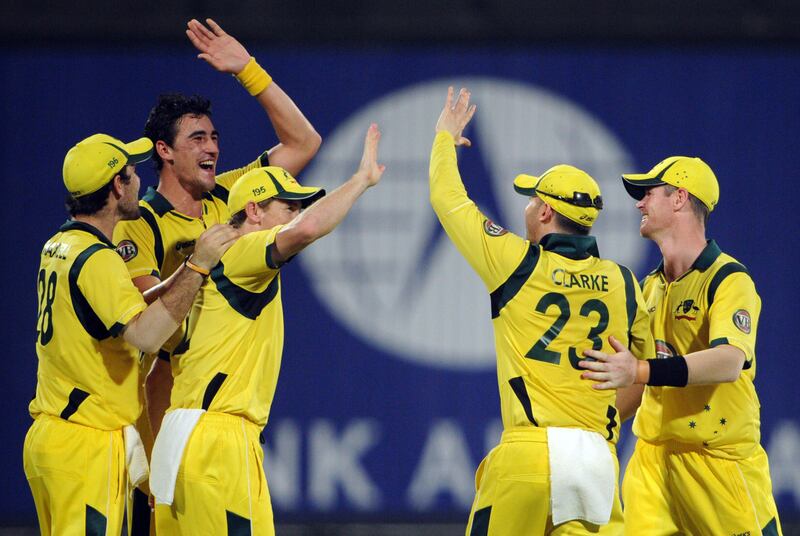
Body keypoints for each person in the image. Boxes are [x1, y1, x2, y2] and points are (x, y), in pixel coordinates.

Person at [112, 18, 320, 530]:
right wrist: (201, 262)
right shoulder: (141, 226)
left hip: (213, 395)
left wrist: (248, 71)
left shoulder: (231, 194)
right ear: (164, 150)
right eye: (197, 138)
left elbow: (304, 142)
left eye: (215, 137)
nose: (212, 148)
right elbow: (147, 326)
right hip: (165, 398)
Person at [429, 87, 653, 535]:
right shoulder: (625, 283)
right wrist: (601, 418)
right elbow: (649, 371)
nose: (527, 208)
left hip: (530, 451)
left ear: (547, 212)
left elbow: (448, 200)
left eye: (532, 201)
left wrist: (443, 140)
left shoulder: (517, 263)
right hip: (594, 458)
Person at [150, 124, 384, 533]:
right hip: (219, 438)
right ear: (254, 211)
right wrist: (360, 180)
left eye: (297, 208)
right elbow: (306, 231)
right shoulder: (242, 252)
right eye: (288, 206)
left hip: (179, 433)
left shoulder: (204, 262)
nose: (296, 215)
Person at [23, 133, 238, 535]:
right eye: (132, 172)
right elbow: (146, 336)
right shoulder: (99, 260)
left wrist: (183, 268)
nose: (140, 180)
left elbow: (118, 308)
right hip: (85, 444)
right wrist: (199, 268)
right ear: (117, 187)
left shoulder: (59, 245)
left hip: (51, 436)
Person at [578, 156, 783, 535]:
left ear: (679, 198)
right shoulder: (649, 287)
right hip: (652, 463)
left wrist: (640, 369)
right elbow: (638, 383)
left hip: (718, 463)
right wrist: (592, 428)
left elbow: (729, 361)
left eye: (648, 193)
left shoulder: (728, 279)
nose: (639, 203)